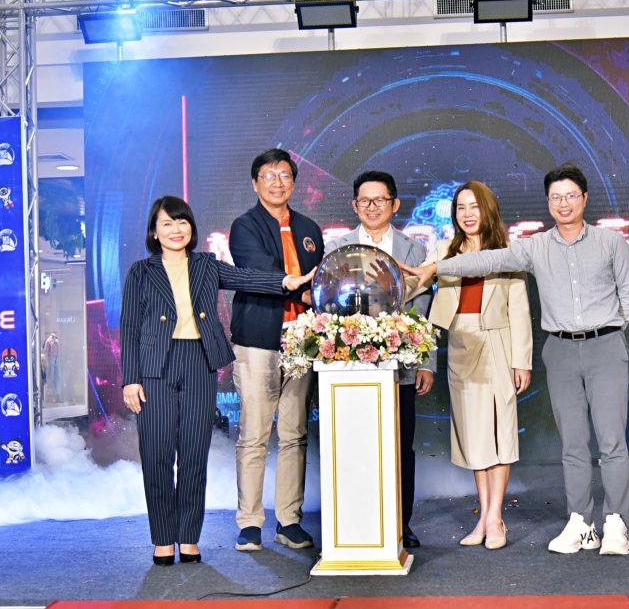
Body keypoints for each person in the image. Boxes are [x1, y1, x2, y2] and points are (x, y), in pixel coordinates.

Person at [406, 163, 629, 556]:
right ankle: (581, 523)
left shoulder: (610, 242)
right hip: (556, 349)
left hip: (602, 346)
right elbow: (483, 262)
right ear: (547, 202)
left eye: (571, 196)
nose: (563, 203)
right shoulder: (533, 247)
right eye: (556, 197)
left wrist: (606, 331)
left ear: (584, 199)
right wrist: (434, 268)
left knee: (612, 441)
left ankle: (615, 523)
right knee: (572, 443)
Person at [120, 195, 314, 566]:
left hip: (199, 362)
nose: (176, 230)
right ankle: (163, 539)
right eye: (167, 224)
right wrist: (131, 379)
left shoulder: (207, 265)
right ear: (154, 232)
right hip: (154, 369)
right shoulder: (141, 273)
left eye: (182, 222)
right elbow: (129, 327)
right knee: (157, 455)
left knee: (194, 456)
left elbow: (247, 278)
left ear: (191, 227)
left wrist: (288, 281)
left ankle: (188, 538)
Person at [323, 170, 434, 548]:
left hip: (400, 368)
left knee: (400, 446)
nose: (372, 207)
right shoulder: (337, 248)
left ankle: (401, 523)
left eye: (380, 200)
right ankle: (354, 523)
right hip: (348, 370)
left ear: (395, 204)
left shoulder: (415, 251)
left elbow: (425, 308)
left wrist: (426, 361)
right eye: (365, 201)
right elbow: (326, 304)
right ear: (354, 205)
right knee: (353, 446)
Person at [424, 181, 531, 550]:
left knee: (499, 434)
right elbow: (416, 282)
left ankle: (496, 517)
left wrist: (521, 360)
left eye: (474, 206)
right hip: (461, 345)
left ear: (488, 209)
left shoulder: (507, 252)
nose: (467, 214)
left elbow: (520, 308)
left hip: (498, 343)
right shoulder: (443, 251)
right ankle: (484, 516)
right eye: (460, 208)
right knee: (475, 436)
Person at [229, 148, 325, 552]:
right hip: (258, 341)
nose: (277, 182)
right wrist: (299, 289)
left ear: (294, 182)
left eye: (284, 175)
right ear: (255, 183)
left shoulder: (309, 227)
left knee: (294, 434)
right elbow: (259, 270)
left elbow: (322, 279)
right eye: (269, 176)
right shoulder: (244, 226)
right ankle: (250, 521)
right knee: (254, 435)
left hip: (301, 341)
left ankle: (289, 520)